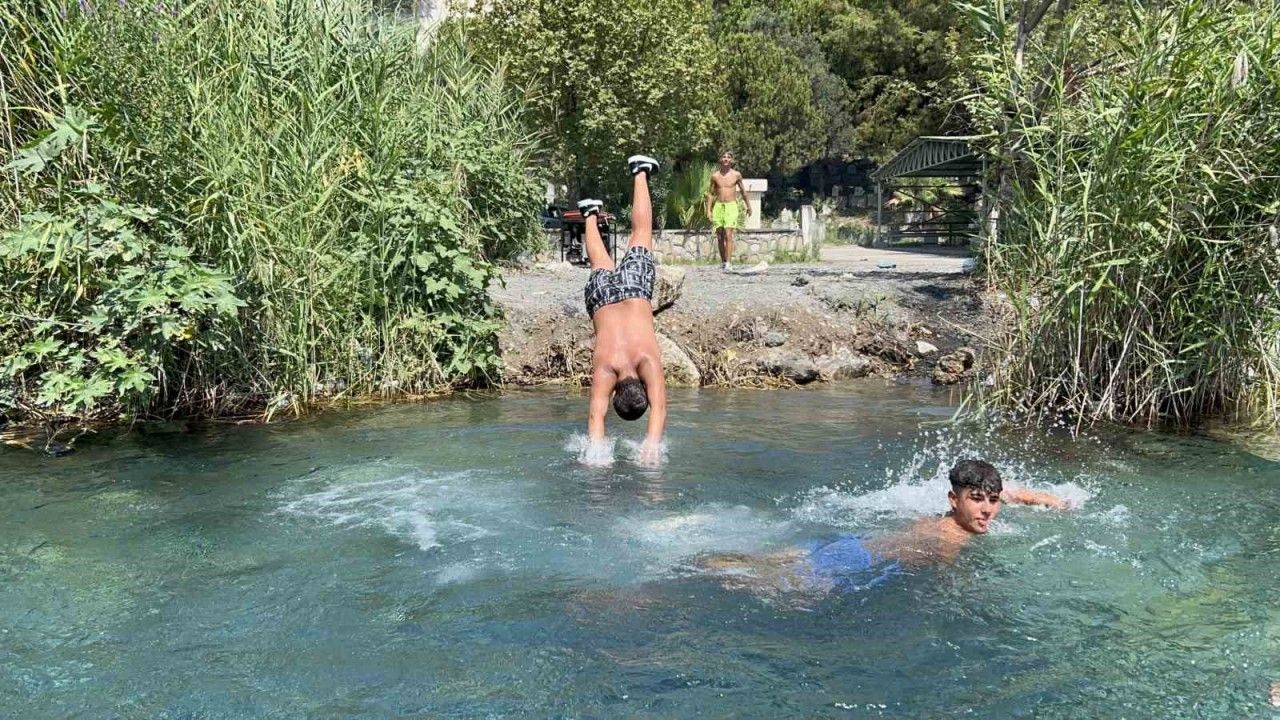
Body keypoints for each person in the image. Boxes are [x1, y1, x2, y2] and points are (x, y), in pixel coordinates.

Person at [695, 459, 1070, 595]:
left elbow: (1011, 493)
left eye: (993, 500)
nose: (987, 509)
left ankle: (704, 560)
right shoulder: (950, 539)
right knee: (756, 585)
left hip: (851, 543)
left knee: (751, 561)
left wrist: (1047, 499)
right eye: (977, 499)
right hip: (852, 563)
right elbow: (948, 588)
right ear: (953, 500)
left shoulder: (963, 513)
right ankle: (696, 576)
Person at [578, 155, 667, 464]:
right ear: (615, 392)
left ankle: (640, 172)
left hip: (635, 291)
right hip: (601, 299)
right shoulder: (606, 371)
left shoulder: (647, 363)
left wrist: (651, 444)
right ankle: (590, 214)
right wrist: (597, 456)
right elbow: (595, 418)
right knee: (599, 262)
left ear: (641, 386)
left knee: (641, 232)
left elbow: (660, 409)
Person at [705, 150, 751, 271]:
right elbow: (710, 194)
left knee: (728, 234)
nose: (726, 159)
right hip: (718, 206)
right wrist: (708, 210)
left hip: (731, 206)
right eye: (723, 157)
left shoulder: (736, 175)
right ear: (720, 159)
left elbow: (743, 191)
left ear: (731, 160)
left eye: (728, 157)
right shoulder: (715, 176)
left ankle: (729, 263)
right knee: (720, 236)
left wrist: (748, 206)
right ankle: (723, 261)